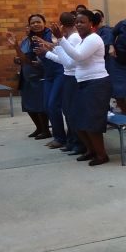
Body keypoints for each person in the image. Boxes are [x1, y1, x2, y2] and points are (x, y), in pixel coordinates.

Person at [36, 9, 112, 165]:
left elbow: (78, 56)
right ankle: (90, 150)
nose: (78, 25)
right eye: (77, 22)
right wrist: (52, 50)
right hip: (82, 83)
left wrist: (59, 40)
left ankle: (101, 155)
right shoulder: (83, 40)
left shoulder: (93, 38)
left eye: (82, 22)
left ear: (91, 24)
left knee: (91, 122)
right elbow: (70, 62)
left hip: (96, 84)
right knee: (77, 119)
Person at [6, 14, 51, 139]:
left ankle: (46, 130)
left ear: (44, 23)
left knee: (40, 104)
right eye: (32, 23)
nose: (35, 24)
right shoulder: (27, 39)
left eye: (38, 22)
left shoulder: (49, 36)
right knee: (28, 103)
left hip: (41, 75)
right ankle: (39, 128)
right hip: (27, 74)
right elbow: (24, 58)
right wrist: (17, 51)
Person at [41, 11, 75, 150]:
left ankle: (65, 138)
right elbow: (62, 54)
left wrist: (48, 51)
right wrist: (48, 49)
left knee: (56, 105)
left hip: (64, 74)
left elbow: (68, 61)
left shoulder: (72, 37)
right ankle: (61, 137)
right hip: (52, 74)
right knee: (48, 105)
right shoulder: (65, 37)